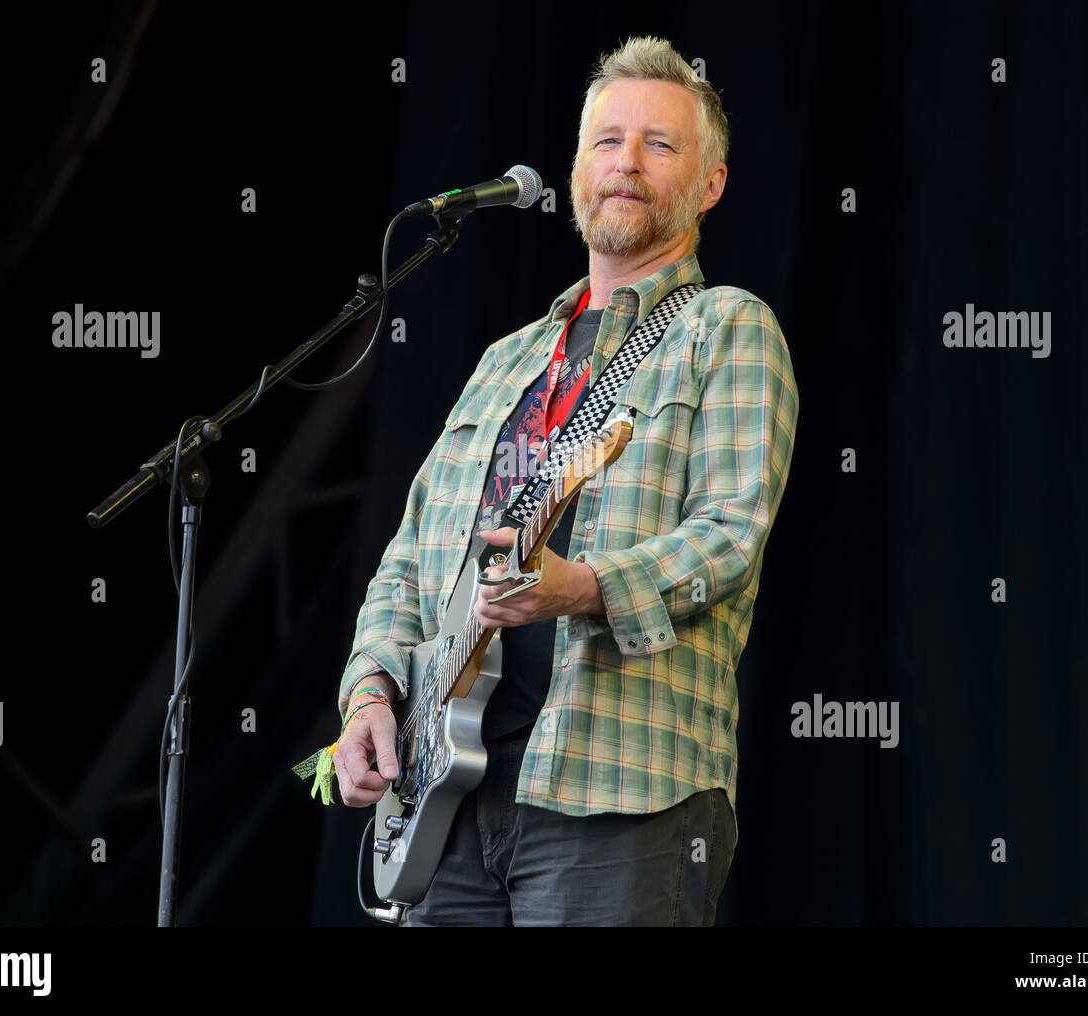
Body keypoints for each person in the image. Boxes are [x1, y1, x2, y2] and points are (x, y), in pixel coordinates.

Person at [330, 35, 799, 925]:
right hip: (450, 796)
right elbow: (408, 562)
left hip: (620, 792)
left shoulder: (725, 329)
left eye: (660, 144)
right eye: (607, 140)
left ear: (711, 186)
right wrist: (370, 695)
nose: (626, 161)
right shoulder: (508, 361)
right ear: (577, 170)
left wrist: (578, 587)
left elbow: (730, 539)